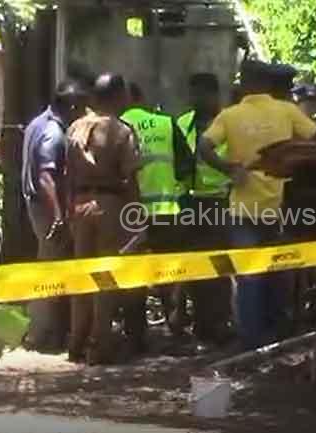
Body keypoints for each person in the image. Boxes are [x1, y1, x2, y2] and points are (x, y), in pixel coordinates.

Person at [198, 59, 316, 350]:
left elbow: (203, 146)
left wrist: (229, 169)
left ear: (244, 83)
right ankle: (277, 333)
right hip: (280, 206)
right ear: (267, 84)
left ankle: (251, 339)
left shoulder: (230, 115)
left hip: (242, 208)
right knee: (279, 270)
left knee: (249, 276)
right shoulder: (287, 110)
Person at [66, 73, 145, 364]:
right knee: (105, 278)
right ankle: (98, 345)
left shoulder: (75, 127)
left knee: (82, 276)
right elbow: (130, 177)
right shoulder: (121, 131)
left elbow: (67, 174)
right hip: (109, 205)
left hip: (79, 204)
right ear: (117, 97)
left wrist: (69, 208)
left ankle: (76, 342)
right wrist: (136, 217)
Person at [121, 83, 194, 337]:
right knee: (170, 273)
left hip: (129, 215)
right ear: (141, 98)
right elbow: (186, 168)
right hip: (166, 210)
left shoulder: (116, 125)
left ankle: (135, 335)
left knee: (132, 275)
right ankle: (176, 331)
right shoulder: (165, 123)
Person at [21, 79, 87, 352]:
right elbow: (46, 177)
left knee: (48, 266)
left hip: (37, 205)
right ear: (71, 106)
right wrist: (59, 217)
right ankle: (42, 335)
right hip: (47, 209)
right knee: (52, 270)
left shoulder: (37, 123)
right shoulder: (53, 132)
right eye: (80, 107)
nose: (82, 113)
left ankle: (43, 332)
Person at [176, 73, 233, 346]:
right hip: (190, 203)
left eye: (201, 94)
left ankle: (220, 324)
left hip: (220, 201)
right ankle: (201, 323)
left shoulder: (229, 123)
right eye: (193, 94)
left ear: (213, 95)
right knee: (195, 267)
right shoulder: (183, 123)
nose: (196, 99)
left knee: (220, 268)